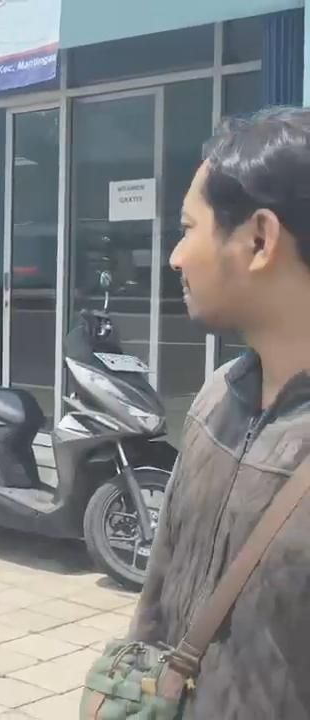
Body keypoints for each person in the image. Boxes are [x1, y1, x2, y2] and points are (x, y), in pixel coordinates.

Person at [130, 107, 310, 717]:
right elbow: (157, 603)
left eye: (188, 228)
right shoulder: (216, 398)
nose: (176, 257)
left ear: (259, 240)